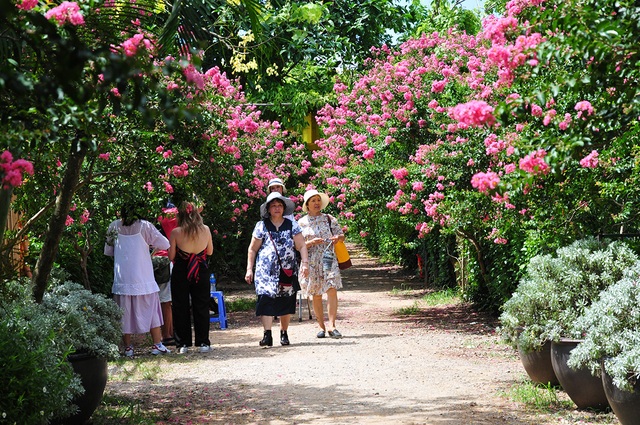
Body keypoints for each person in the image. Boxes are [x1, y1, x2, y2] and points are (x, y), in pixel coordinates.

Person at [104, 200, 171, 357]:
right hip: (143, 277)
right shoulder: (145, 226)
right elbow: (165, 243)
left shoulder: (113, 226)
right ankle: (157, 344)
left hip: (123, 278)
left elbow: (109, 250)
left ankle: (128, 348)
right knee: (151, 310)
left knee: (124, 313)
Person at [245, 192, 309, 347]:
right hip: (265, 271)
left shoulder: (292, 225)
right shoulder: (261, 225)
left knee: (285, 301)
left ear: (284, 208)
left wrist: (305, 263)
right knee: (265, 299)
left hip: (286, 270)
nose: (277, 208)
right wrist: (249, 269)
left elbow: (301, 245)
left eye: (280, 205)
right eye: (273, 205)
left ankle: (284, 333)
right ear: (268, 209)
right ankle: (267, 335)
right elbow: (252, 249)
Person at [298, 189, 345, 339]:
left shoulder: (329, 218)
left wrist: (337, 237)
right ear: (307, 204)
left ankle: (332, 326)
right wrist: (310, 243)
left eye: (318, 200)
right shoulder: (301, 222)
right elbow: (297, 244)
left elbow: (341, 235)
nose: (317, 203)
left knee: (331, 288)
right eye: (313, 200)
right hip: (311, 260)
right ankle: (321, 327)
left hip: (328, 257)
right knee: (316, 293)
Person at [168, 201, 214, 354]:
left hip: (182, 269)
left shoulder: (176, 232)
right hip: (200, 267)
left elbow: (171, 256)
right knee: (201, 305)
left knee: (180, 306)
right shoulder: (205, 229)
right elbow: (209, 252)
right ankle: (203, 342)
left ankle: (182, 344)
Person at [154, 203, 178, 346]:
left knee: (159, 300)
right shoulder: (174, 214)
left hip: (151, 259)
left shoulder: (154, 215)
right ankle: (167, 335)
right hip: (165, 259)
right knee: (166, 301)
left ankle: (166, 333)